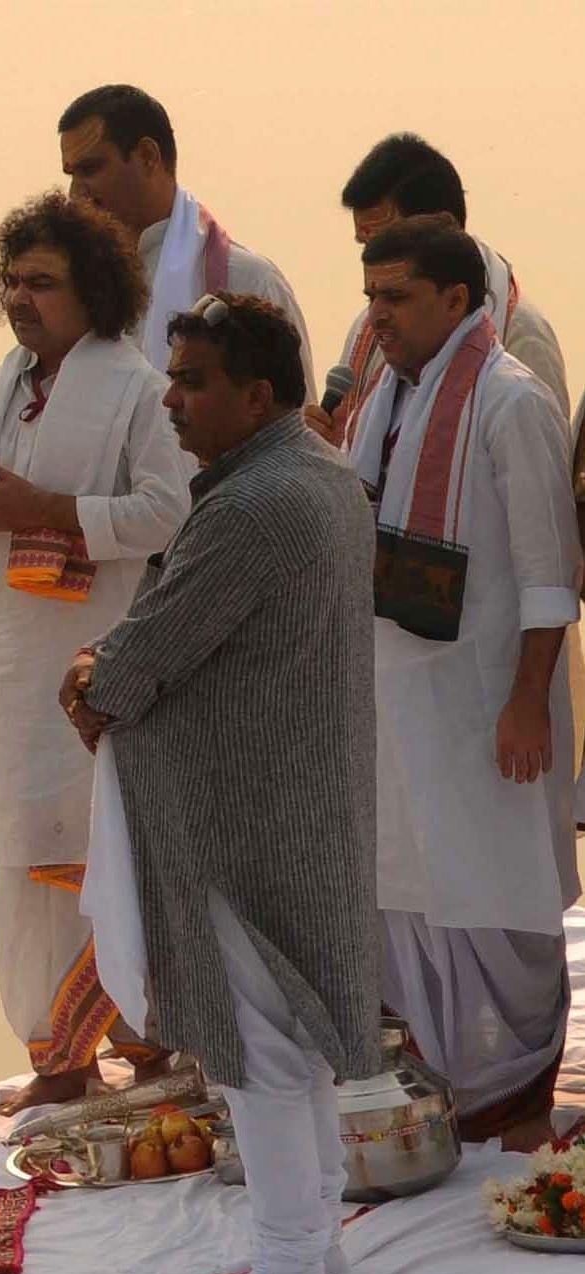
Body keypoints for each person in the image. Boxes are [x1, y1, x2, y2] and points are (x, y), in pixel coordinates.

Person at [61, 292, 382, 1274]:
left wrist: (88, 677)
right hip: (297, 794)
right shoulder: (319, 473)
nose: (172, 401)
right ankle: (317, 1240)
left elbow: (138, 660)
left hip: (238, 816)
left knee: (260, 1042)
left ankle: (291, 1259)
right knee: (290, 1025)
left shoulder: (251, 505)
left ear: (255, 394)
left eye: (192, 382)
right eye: (173, 378)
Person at [0, 192, 190, 1115]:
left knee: (104, 851)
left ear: (94, 291)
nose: (21, 297)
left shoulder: (140, 388)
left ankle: (114, 1049)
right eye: (14, 280)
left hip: (100, 658)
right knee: (24, 853)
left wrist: (42, 511)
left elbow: (173, 515)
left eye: (43, 282)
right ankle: (64, 1047)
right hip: (5, 657)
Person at [341, 219, 581, 1148]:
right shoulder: (381, 398)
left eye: (396, 297)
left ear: (455, 299)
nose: (378, 317)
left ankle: (515, 1093)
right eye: (371, 297)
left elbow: (547, 571)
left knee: (496, 896)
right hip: (393, 700)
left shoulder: (511, 403)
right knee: (405, 888)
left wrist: (529, 700)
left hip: (484, 704)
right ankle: (440, 1088)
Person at [310, 133, 567, 443]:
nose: (373, 263)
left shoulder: (521, 335)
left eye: (388, 243)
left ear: (442, 226)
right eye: (366, 246)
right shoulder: (368, 329)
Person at [58, 84, 312, 386]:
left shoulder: (246, 279)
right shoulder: (73, 284)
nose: (76, 194)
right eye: (71, 174)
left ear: (148, 156)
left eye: (90, 169)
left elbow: (292, 424)